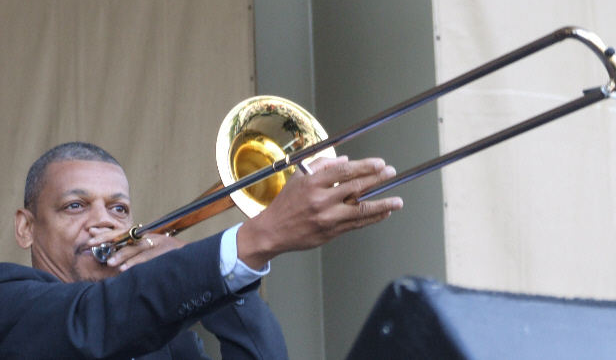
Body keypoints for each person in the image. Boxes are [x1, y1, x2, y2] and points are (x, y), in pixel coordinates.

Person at [0, 142, 402, 359]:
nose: (104, 221)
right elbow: (92, 320)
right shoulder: (9, 297)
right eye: (76, 205)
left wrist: (202, 262)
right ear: (26, 227)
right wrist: (250, 242)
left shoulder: (171, 343)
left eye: (119, 208)